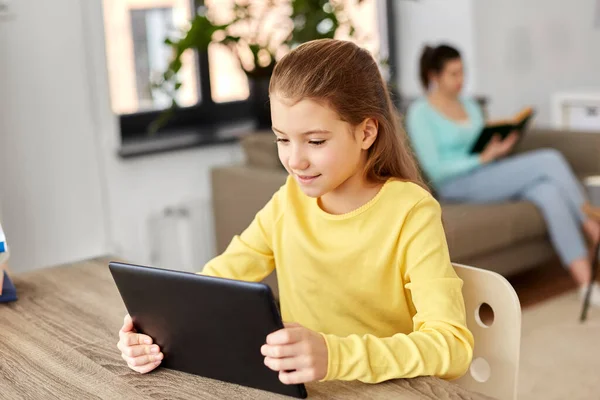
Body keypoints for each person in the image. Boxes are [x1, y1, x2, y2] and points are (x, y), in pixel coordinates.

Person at [116, 39, 474, 384]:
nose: (294, 160)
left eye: (315, 141)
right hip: (306, 388)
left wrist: (335, 356)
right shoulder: (289, 201)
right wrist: (156, 329)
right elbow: (217, 282)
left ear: (366, 132)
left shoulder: (411, 211)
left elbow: (452, 346)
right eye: (282, 139)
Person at [406, 44, 600, 306]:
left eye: (462, 72)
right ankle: (591, 223)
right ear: (434, 76)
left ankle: (586, 284)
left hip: (487, 174)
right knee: (549, 160)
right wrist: (482, 158)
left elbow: (480, 144)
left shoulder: (470, 106)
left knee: (548, 191)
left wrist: (497, 149)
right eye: (453, 74)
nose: (461, 80)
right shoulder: (421, 113)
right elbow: (435, 170)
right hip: (455, 185)